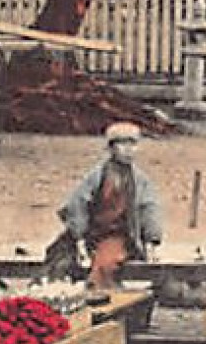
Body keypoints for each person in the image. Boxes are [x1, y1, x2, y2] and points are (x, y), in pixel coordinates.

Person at [58, 122, 163, 292]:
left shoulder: (139, 180)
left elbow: (149, 208)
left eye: (132, 144)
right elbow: (78, 203)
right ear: (112, 148)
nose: (128, 150)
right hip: (93, 233)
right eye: (122, 144)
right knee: (58, 263)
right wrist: (79, 238)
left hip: (122, 236)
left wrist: (151, 241)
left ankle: (104, 296)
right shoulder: (97, 175)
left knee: (106, 263)